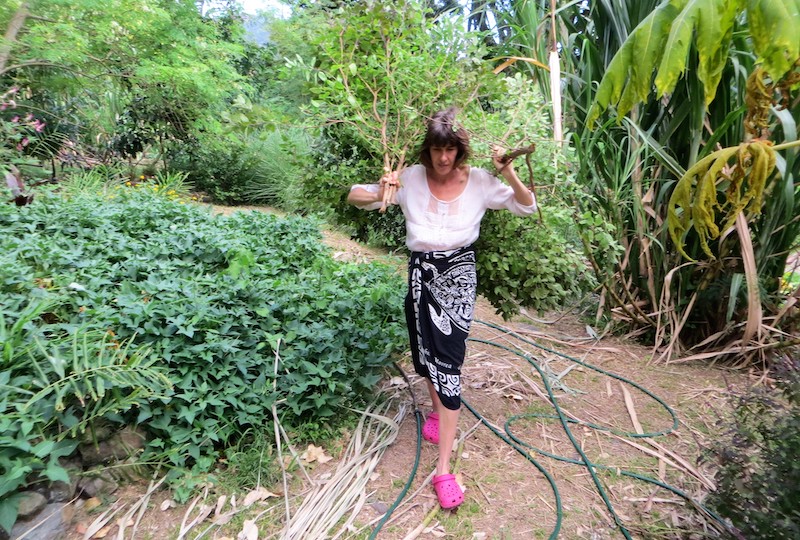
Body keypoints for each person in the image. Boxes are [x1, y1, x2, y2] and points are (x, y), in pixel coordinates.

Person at [347, 107, 536, 509]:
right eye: (436, 149)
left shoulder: (481, 182)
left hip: (457, 275)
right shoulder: (412, 178)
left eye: (450, 149)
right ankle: (435, 412)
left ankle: (444, 470)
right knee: (424, 354)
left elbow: (527, 206)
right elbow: (354, 197)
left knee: (448, 364)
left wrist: (508, 172)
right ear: (427, 150)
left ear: (460, 150)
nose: (443, 158)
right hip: (420, 272)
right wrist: (383, 187)